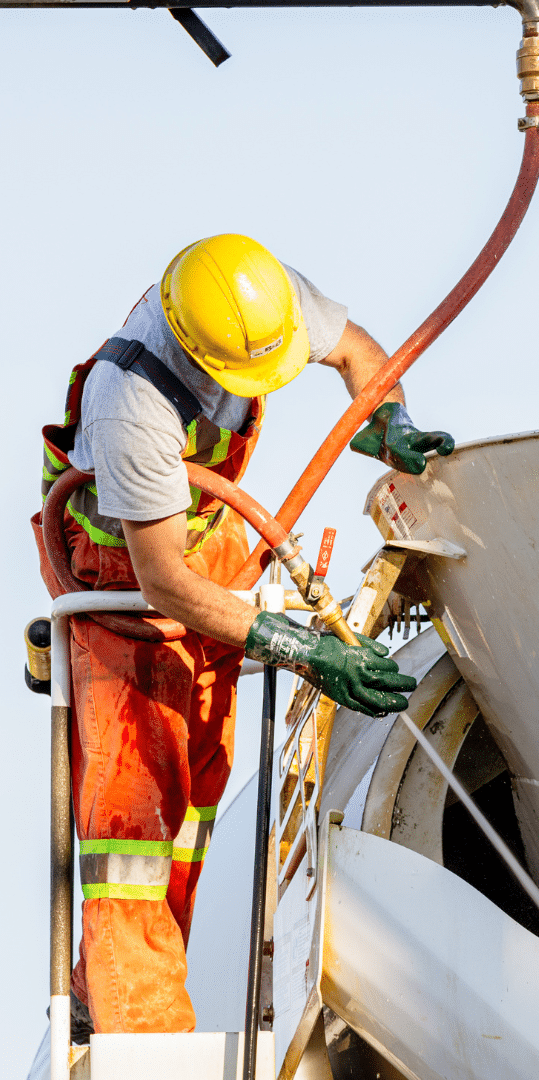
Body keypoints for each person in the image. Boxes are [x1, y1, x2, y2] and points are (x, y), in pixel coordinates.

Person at [33, 234, 454, 1038]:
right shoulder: (132, 404)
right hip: (123, 577)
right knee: (132, 829)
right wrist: (298, 645)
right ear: (200, 354)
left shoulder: (262, 300)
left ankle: (108, 980)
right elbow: (161, 579)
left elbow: (356, 350)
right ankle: (141, 1039)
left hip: (202, 537)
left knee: (193, 801)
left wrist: (388, 417)